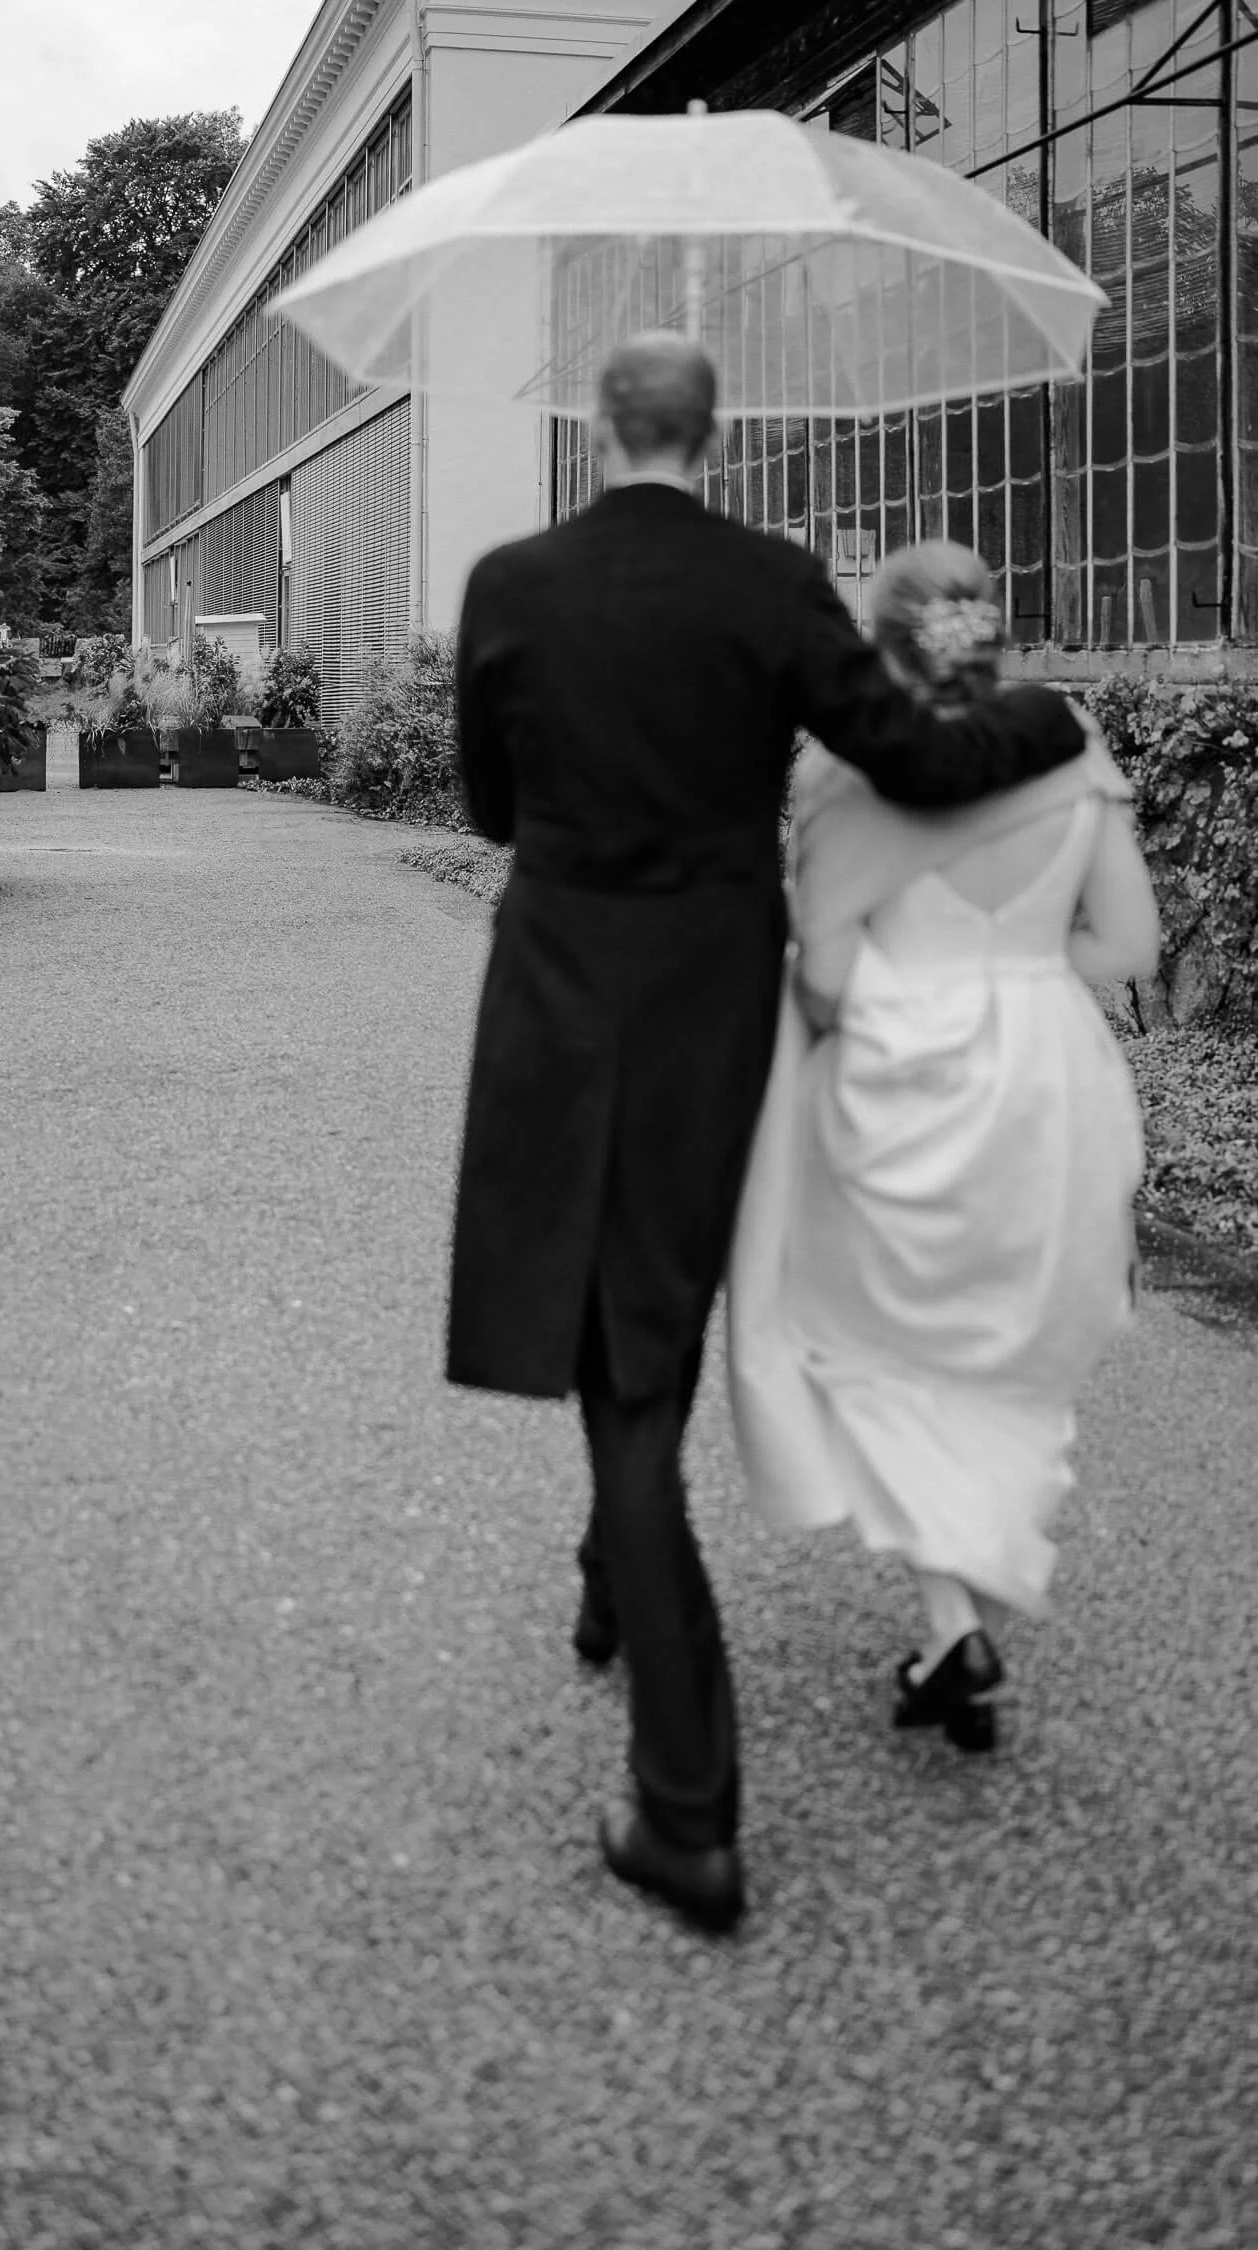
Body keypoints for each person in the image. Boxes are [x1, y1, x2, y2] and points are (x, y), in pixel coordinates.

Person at [447, 336, 1093, 1934]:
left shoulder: (511, 581)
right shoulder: (774, 579)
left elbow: (483, 810)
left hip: (555, 1001)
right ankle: (615, 1581)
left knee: (628, 1377)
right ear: (714, 435)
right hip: (708, 1016)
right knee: (646, 1321)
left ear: (602, 428)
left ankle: (690, 1810)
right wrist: (1057, 719)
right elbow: (920, 757)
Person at [727, 541, 1160, 1753]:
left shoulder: (842, 774)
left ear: (882, 644)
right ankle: (953, 1612)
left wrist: (910, 996)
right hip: (1048, 1080)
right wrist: (1020, 983)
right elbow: (1127, 942)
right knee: (1005, 1339)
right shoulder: (1069, 740)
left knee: (868, 1339)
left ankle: (953, 1615)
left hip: (894, 1071)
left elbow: (826, 970)